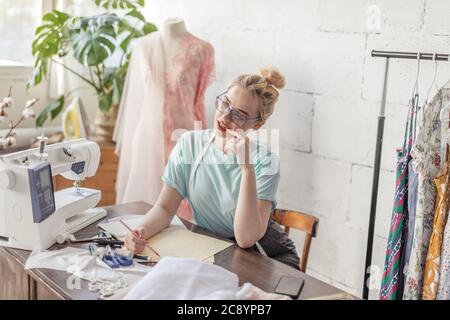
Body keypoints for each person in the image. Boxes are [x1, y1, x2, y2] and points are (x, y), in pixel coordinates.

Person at [124, 66, 300, 269]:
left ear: (258, 124)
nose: (225, 117)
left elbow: (245, 239)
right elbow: (165, 208)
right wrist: (139, 232)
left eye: (239, 116)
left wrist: (246, 169)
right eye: (225, 104)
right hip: (214, 248)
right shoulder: (189, 144)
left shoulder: (265, 161)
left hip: (265, 255)